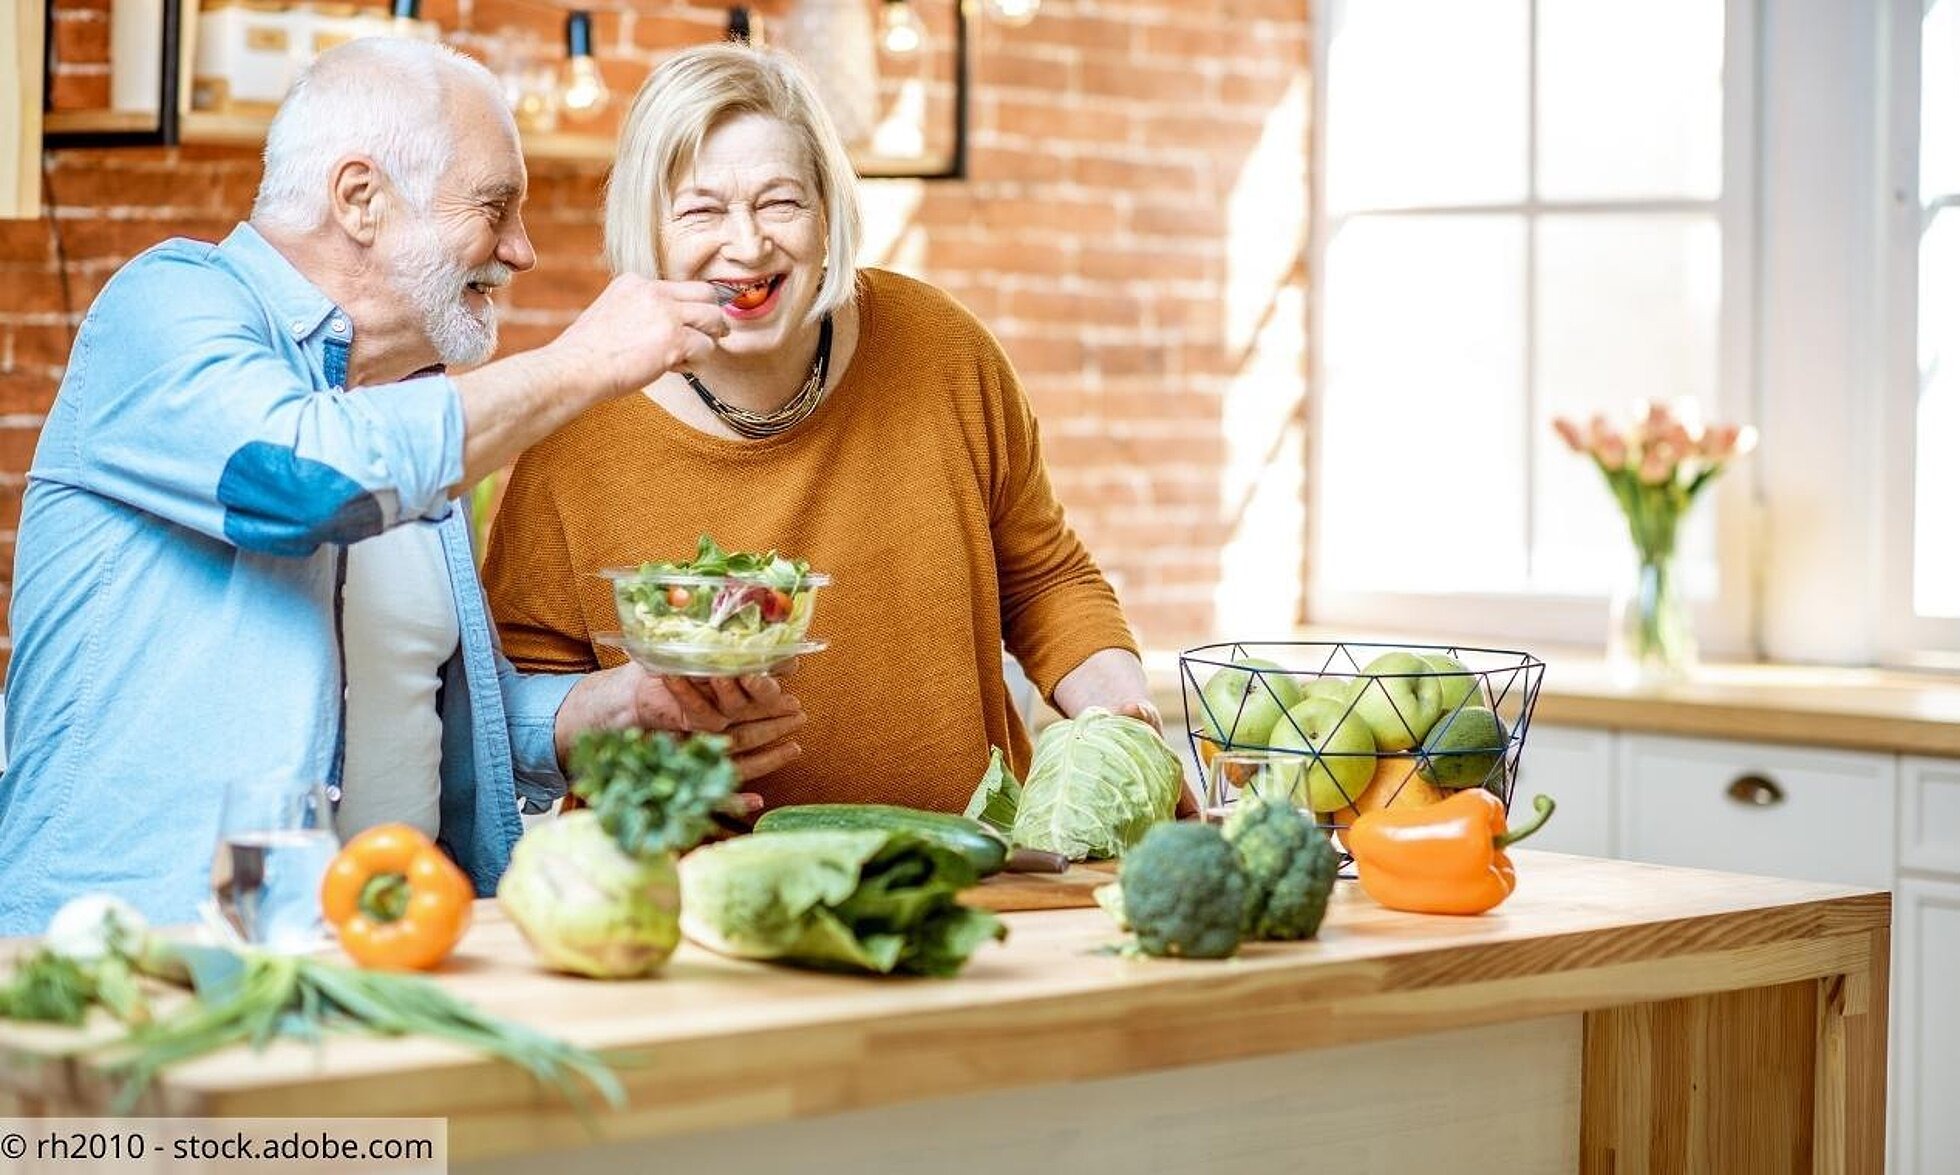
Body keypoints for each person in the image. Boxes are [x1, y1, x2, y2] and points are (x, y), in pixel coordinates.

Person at [0, 38, 807, 935]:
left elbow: (441, 713)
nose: (522, 251)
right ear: (361, 199)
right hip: (132, 954)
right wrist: (586, 362)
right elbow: (302, 481)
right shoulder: (164, 308)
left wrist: (612, 709)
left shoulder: (412, 406)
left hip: (383, 955)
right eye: (495, 207)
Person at [483, 42, 1159, 818]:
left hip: (967, 877)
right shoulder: (574, 426)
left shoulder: (942, 348)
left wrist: (1125, 722)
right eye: (702, 208)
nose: (747, 243)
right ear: (650, 228)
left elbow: (1046, 581)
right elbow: (526, 698)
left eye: (780, 201)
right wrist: (638, 725)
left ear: (828, 213)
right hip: (692, 899)